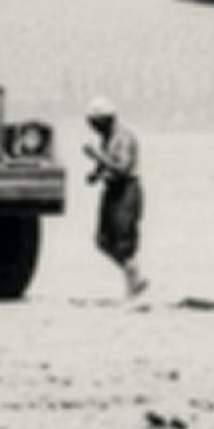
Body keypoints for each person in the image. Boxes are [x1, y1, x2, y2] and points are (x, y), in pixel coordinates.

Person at [82, 97, 146, 298]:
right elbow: (109, 164)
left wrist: (97, 157)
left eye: (95, 123)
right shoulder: (107, 138)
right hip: (112, 189)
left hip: (126, 190)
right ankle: (134, 278)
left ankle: (133, 283)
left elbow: (123, 168)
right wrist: (96, 173)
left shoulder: (124, 138)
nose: (93, 129)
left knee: (123, 240)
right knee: (103, 240)